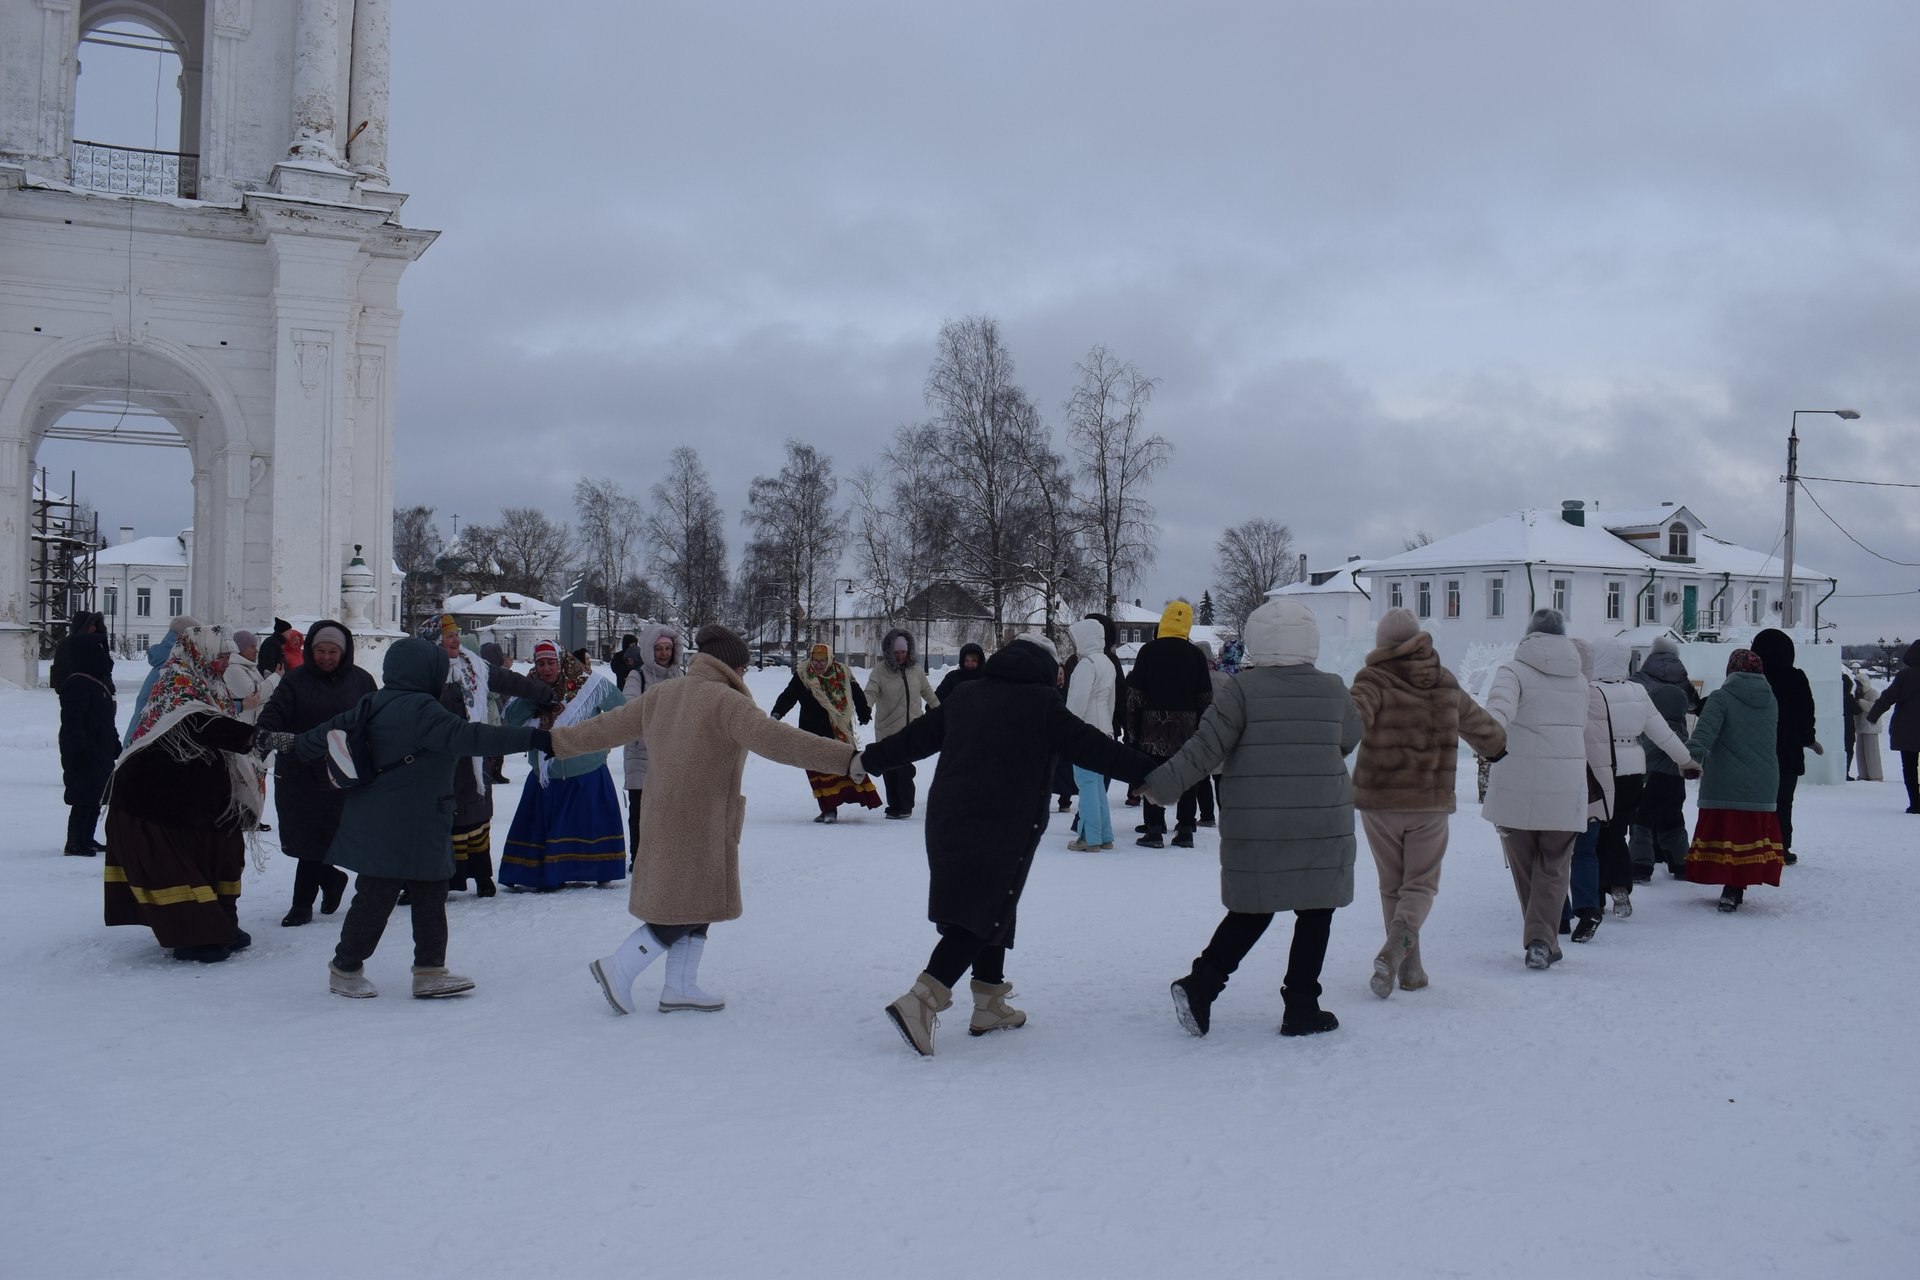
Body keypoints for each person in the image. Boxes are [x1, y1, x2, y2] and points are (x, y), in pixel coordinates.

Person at [545, 624, 866, 1017]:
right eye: (742, 667)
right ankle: (619, 967)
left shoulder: (664, 693)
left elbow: (608, 726)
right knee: (684, 909)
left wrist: (557, 741)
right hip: (701, 820)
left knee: (697, 903)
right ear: (729, 665)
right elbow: (780, 741)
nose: (744, 673)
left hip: (665, 813)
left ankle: (680, 986)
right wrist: (846, 758)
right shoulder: (727, 702)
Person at [863, 634, 1157, 1056]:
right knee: (981, 916)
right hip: (1001, 825)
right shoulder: (1042, 704)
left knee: (994, 905)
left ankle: (989, 1003)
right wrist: (1153, 774)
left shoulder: (966, 695)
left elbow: (914, 739)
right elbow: (1095, 748)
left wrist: (865, 761)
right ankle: (921, 1001)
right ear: (1045, 667)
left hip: (948, 819)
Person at [283, 637, 555, 998]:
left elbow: (327, 732)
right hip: (408, 818)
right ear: (426, 671)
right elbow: (471, 736)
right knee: (385, 894)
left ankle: (429, 969)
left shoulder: (374, 701)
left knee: (423, 890)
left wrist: (288, 744)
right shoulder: (423, 709)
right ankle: (346, 968)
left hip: (404, 816)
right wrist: (533, 738)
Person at [1155, 600, 1362, 1038]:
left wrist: (1159, 785)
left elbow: (1206, 748)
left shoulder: (1242, 689)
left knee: (1253, 908)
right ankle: (1302, 1006)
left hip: (1258, 821)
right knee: (1316, 911)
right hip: (1321, 820)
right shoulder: (1333, 688)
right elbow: (1349, 738)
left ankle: (1202, 985)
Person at [1349, 607, 1505, 998]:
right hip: (1429, 801)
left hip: (1380, 800)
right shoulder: (1443, 680)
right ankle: (1405, 959)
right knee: (1420, 884)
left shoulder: (1372, 679)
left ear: (1382, 643)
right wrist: (1497, 747)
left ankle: (1407, 965)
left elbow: (1351, 720)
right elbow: (1480, 725)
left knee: (1392, 885)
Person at [104, 625, 277, 962]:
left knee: (223, 852)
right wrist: (264, 738)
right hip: (151, 804)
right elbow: (202, 724)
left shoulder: (209, 684)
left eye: (228, 657)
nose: (225, 663)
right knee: (174, 868)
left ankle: (220, 924)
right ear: (200, 654)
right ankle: (195, 937)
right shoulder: (176, 683)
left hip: (193, 801)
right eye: (220, 656)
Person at [1480, 608, 1588, 971]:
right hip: (1565, 786)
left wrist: (1485, 736)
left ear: (1529, 634)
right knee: (1554, 867)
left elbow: (1498, 710)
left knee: (1525, 868)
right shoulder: (1579, 679)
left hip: (1516, 785)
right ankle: (1542, 941)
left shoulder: (1512, 671)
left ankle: (1540, 940)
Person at [255, 619, 377, 925]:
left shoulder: (361, 681)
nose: (325, 657)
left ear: (344, 652)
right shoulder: (295, 681)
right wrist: (264, 735)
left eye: (332, 651)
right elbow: (274, 713)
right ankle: (317, 891)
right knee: (307, 837)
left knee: (330, 836)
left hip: (344, 773)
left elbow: (375, 721)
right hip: (301, 772)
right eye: (320, 651)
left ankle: (315, 895)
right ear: (310, 649)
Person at [425, 615, 556, 896]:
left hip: (474, 755)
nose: (455, 640)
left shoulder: (473, 665)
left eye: (456, 634)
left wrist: (544, 693)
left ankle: (482, 875)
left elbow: (508, 680)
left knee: (476, 811)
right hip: (438, 759)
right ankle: (440, 879)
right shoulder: (425, 673)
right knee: (441, 818)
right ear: (434, 641)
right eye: (448, 636)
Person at [497, 640, 626, 890]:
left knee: (588, 826)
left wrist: (602, 738)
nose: (546, 669)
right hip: (546, 773)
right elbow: (511, 719)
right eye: (541, 664)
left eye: (551, 663)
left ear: (561, 662)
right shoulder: (529, 687)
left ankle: (598, 868)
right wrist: (533, 699)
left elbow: (621, 711)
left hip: (586, 770)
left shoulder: (588, 683)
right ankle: (544, 873)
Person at [1588, 639, 1693, 923]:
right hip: (1632, 771)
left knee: (1594, 833)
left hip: (1597, 769)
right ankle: (1620, 884)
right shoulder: (1637, 691)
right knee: (1618, 830)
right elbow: (1662, 732)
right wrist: (1686, 760)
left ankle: (1595, 895)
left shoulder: (1589, 691)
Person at [1684, 649, 1786, 911]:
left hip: (1726, 778)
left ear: (1731, 669)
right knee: (1748, 835)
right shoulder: (1771, 699)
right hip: (1764, 779)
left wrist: (1689, 760)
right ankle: (1735, 887)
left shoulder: (1721, 697)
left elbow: (1704, 734)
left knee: (1727, 833)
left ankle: (1728, 885)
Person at [1124, 601, 1213, 847]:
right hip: (1187, 728)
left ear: (1164, 621)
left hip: (1152, 727)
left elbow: (1134, 696)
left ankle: (1154, 828)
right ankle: (1185, 829)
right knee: (1187, 776)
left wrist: (1132, 732)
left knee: (1153, 775)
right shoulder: (1196, 655)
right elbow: (1205, 698)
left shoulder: (1148, 651)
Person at [771, 642, 883, 823]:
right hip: (809, 731)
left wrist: (864, 713)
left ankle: (857, 800)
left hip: (836, 730)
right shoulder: (803, 674)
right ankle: (828, 809)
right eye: (815, 660)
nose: (818, 664)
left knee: (841, 766)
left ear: (830, 659)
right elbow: (789, 695)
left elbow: (857, 694)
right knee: (816, 771)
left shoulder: (842, 673)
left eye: (822, 660)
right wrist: (777, 713)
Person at [1628, 635, 1702, 879]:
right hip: (1674, 779)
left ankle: (1640, 864)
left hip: (1651, 778)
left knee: (1641, 819)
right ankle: (1681, 864)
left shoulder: (1642, 676)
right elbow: (1692, 703)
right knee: (1673, 821)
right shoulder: (1681, 677)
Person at [1749, 629, 1819, 865]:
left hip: (1756, 749)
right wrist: (1808, 738)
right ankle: (1781, 847)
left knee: (1755, 800)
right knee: (1784, 801)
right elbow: (1806, 712)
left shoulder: (1753, 678)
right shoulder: (1796, 677)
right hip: (1789, 749)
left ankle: (1753, 844)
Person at [619, 623, 683, 857]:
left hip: (673, 754)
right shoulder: (638, 676)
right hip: (642, 753)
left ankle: (666, 856)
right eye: (658, 649)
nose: (664, 653)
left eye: (668, 648)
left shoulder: (680, 676)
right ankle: (638, 858)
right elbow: (630, 709)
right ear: (649, 650)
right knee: (640, 811)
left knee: (670, 811)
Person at [865, 628, 939, 819]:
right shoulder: (880, 671)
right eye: (896, 652)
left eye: (903, 652)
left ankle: (905, 806)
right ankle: (894, 805)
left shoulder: (916, 670)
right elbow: (870, 691)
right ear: (889, 652)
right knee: (890, 768)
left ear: (909, 651)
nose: (900, 656)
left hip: (912, 728)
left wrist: (939, 711)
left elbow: (928, 692)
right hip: (887, 727)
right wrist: (865, 708)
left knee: (904, 768)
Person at [57, 627, 119, 857]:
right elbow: (73, 721)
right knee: (83, 795)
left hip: (100, 747)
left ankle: (87, 837)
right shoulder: (77, 683)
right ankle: (75, 842)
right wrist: (79, 749)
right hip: (84, 749)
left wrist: (114, 743)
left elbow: (106, 720)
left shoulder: (96, 681)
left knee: (96, 795)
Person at [1064, 618, 1119, 851]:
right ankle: (1104, 835)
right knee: (1096, 785)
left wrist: (1066, 729)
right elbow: (1111, 701)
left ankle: (1089, 837)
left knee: (1086, 784)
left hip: (1085, 729)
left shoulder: (1086, 665)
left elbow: (1077, 701)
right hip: (1104, 729)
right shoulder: (1107, 662)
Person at [123, 614, 198, 746]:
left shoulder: (166, 657)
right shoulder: (174, 663)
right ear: (185, 635)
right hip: (148, 742)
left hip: (139, 737)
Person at [1867, 641, 1919, 812]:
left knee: (1909, 767)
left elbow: (1888, 697)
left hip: (1907, 729)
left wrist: (1873, 715)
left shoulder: (1904, 675)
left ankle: (1915, 803)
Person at [48, 610, 100, 694]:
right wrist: (65, 692)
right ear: (83, 626)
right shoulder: (67, 645)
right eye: (91, 625)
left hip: (95, 694)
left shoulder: (95, 643)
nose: (94, 628)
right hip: (75, 694)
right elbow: (60, 672)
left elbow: (105, 671)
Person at [1851, 662, 1885, 783]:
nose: (1858, 687)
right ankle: (1864, 775)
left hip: (1870, 728)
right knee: (1861, 754)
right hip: (1861, 728)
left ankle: (1875, 776)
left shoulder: (1873, 693)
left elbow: (1873, 707)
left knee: (1872, 754)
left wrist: (1859, 702)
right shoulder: (1859, 694)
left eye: (1859, 684)